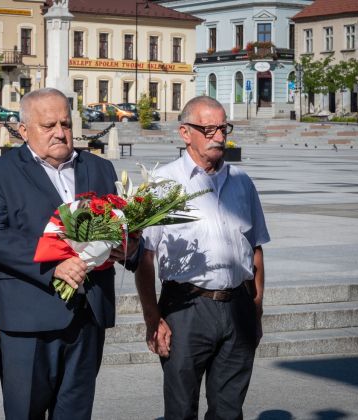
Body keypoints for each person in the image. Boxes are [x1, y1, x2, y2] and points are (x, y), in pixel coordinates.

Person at [0, 88, 141, 420]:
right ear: (23, 131)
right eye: (48, 125)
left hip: (87, 316)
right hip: (27, 320)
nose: (60, 133)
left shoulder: (100, 168)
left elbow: (119, 226)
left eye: (65, 123)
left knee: (76, 413)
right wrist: (55, 265)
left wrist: (130, 246)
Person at [135, 96, 269, 420]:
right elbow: (144, 257)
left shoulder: (242, 182)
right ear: (185, 133)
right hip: (186, 309)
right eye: (209, 129)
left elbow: (256, 248)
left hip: (238, 304)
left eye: (223, 128)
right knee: (181, 409)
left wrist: (256, 307)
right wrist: (153, 318)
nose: (219, 136)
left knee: (229, 410)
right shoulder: (162, 182)